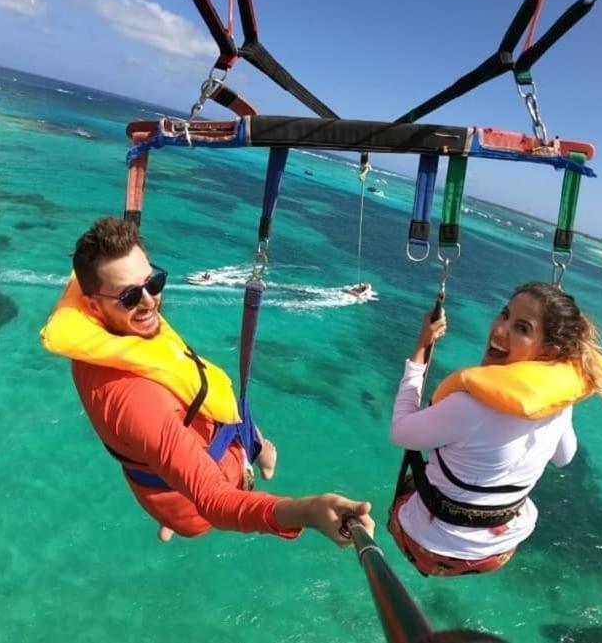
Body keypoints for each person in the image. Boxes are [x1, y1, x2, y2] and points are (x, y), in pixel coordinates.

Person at [40, 216, 374, 546]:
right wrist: (309, 511)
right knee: (244, 452)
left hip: (158, 482)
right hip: (195, 506)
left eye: (153, 283)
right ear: (93, 306)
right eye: (129, 296)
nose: (149, 301)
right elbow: (217, 503)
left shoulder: (95, 328)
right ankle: (251, 456)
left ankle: (169, 516)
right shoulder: (136, 403)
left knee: (179, 439)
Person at [387, 282, 602, 576]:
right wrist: (560, 400)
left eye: (521, 328)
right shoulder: (556, 403)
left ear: (549, 351)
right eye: (504, 315)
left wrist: (422, 347)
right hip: (496, 552)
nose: (499, 330)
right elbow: (564, 457)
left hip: (427, 547)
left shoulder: (466, 407)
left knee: (413, 482)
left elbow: (400, 432)